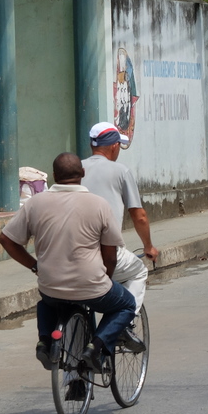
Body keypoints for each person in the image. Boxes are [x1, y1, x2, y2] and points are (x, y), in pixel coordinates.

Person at [0, 152, 136, 373]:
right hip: (92, 285)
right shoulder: (99, 204)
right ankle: (96, 347)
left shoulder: (35, 203)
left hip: (51, 286)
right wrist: (104, 280)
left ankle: (45, 341)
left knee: (47, 302)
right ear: (82, 173)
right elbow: (110, 256)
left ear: (54, 175)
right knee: (127, 304)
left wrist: (35, 266)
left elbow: (6, 239)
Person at [81, 122, 159, 319]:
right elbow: (139, 215)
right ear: (114, 146)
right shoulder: (121, 171)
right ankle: (124, 324)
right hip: (105, 254)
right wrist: (148, 246)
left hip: (72, 252)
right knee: (138, 271)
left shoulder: (75, 168)